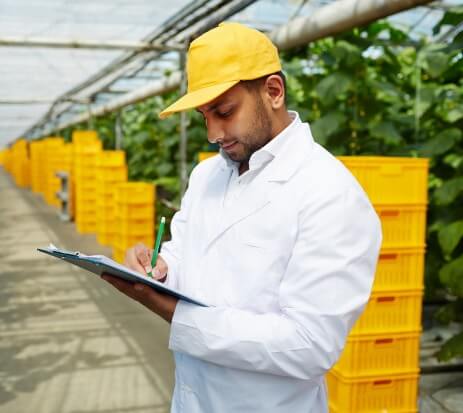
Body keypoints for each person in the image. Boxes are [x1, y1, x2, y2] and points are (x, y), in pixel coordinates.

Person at [102, 22, 382, 412]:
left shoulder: (329, 193)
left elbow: (309, 344)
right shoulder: (207, 175)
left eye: (224, 111)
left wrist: (171, 312)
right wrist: (161, 266)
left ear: (273, 91)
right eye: (204, 116)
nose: (213, 132)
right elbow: (185, 250)